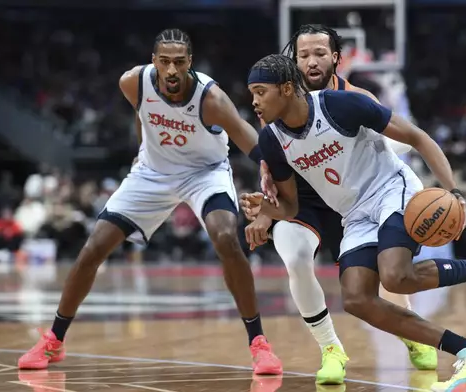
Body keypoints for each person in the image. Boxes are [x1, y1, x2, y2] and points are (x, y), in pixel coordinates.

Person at [241, 54, 466, 392]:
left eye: (259, 91)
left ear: (285, 88)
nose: (253, 101)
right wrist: (267, 210)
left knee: (396, 276)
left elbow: (418, 138)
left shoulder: (340, 106)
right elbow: (292, 205)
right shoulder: (272, 140)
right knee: (357, 299)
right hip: (355, 214)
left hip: (391, 190)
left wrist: (453, 191)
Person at [17, 29, 282, 375]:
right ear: (153, 60)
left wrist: (274, 173)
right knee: (93, 248)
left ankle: (259, 344)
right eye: (165, 61)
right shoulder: (132, 83)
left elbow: (252, 141)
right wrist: (143, 151)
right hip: (153, 172)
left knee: (226, 239)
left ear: (190, 63)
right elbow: (143, 114)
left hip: (204, 172)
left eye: (179, 62)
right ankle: (54, 339)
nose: (172, 70)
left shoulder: (210, 99)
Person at [245, 24, 436, 384]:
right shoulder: (279, 100)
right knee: (296, 258)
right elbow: (270, 158)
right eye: (304, 55)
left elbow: (403, 143)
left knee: (384, 273)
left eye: (320, 53)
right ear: (293, 60)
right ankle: (330, 348)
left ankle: (411, 332)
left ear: (335, 58)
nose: (312, 62)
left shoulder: (355, 97)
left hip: (357, 193)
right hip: (302, 199)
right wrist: (265, 213)